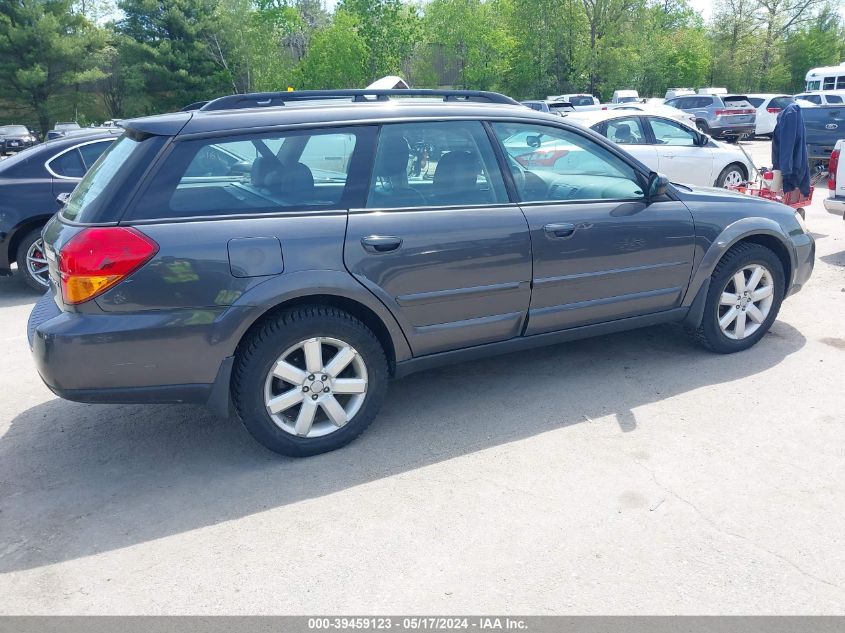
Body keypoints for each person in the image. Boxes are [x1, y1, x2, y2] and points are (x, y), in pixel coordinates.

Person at [771, 102, 811, 196]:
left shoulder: (788, 118)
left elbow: (786, 146)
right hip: (791, 164)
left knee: (776, 192)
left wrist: (785, 168)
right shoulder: (795, 118)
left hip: (785, 166)